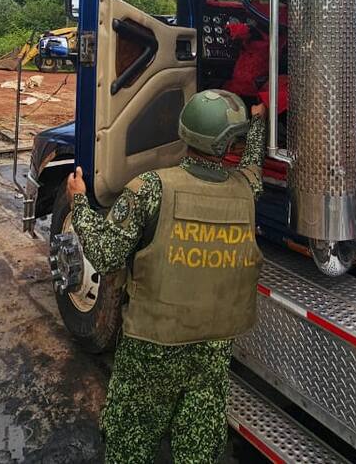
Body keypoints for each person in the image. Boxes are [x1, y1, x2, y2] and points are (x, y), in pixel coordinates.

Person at [66, 89, 266, 464]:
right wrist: (257, 123)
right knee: (198, 450)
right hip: (212, 353)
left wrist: (78, 200)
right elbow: (253, 165)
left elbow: (106, 254)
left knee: (130, 445)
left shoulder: (151, 188)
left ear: (184, 132)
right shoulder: (246, 191)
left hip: (151, 349)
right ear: (229, 144)